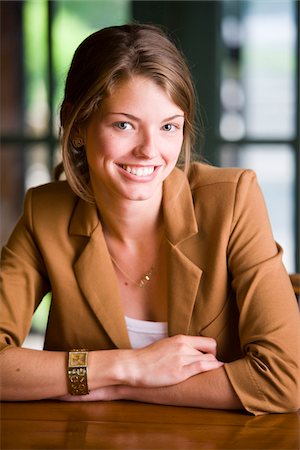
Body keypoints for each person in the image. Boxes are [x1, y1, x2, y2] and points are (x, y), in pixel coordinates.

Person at [0, 23, 299, 416]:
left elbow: (282, 380)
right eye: (123, 124)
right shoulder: (46, 213)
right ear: (77, 126)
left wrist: (121, 388)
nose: (149, 151)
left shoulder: (232, 200)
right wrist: (129, 366)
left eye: (168, 127)